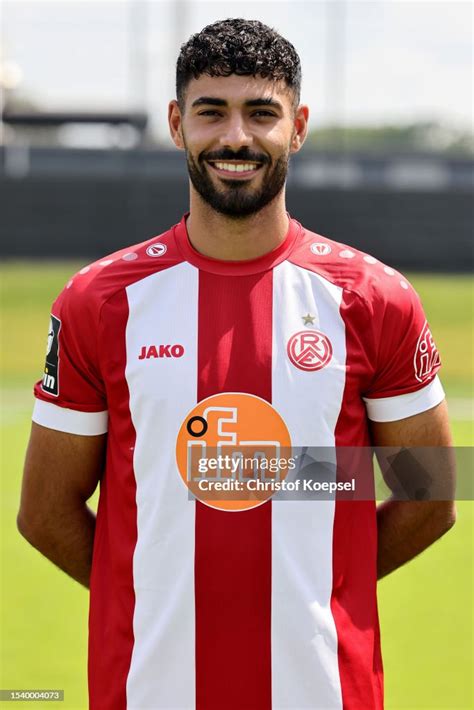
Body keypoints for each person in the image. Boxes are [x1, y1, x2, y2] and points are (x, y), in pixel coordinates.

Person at [18, 18, 455, 710]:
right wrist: (157, 588)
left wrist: (317, 580)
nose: (235, 138)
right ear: (175, 123)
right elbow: (45, 512)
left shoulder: (375, 299)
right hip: (149, 691)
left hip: (324, 692)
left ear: (300, 125)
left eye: (261, 113)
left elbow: (428, 493)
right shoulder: (98, 302)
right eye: (211, 112)